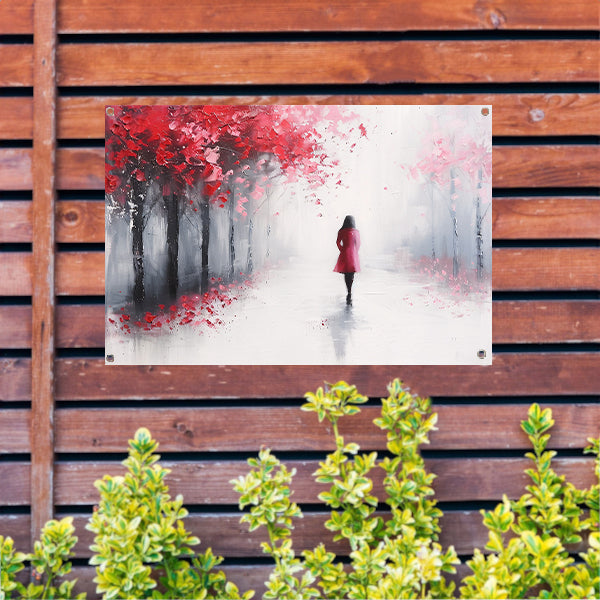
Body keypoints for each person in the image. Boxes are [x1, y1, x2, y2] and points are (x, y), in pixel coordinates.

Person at [333, 215, 360, 304]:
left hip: (345, 254)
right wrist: (355, 252)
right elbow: (358, 244)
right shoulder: (356, 232)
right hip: (353, 255)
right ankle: (350, 291)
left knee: (346, 273)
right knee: (351, 273)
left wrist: (342, 249)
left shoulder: (341, 231)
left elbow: (337, 242)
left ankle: (348, 291)